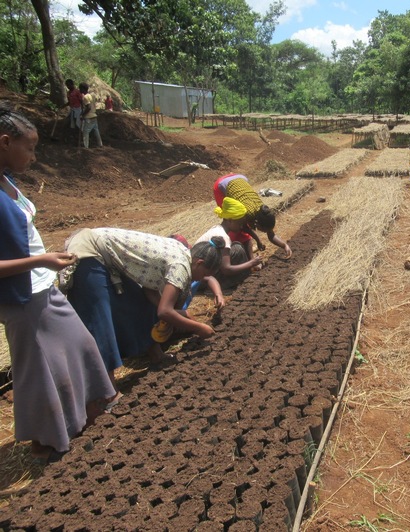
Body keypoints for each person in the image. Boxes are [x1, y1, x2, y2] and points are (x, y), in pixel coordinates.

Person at [0, 102, 118, 462]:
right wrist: (42, 259)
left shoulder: (7, 180)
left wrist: (44, 262)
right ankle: (46, 441)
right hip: (21, 297)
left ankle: (92, 406)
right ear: (5, 142)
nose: (34, 157)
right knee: (37, 368)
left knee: (79, 343)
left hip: (40, 286)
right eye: (30, 148)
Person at [65, 228, 223, 386]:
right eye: (204, 274)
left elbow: (149, 292)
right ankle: (108, 391)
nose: (202, 279)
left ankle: (156, 355)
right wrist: (198, 328)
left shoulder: (184, 254)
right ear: (199, 263)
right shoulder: (181, 266)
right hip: (89, 251)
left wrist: (175, 315)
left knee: (141, 305)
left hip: (108, 257)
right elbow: (164, 311)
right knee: (101, 321)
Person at [213, 174, 293, 261]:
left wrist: (285, 246)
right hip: (221, 186)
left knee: (240, 230)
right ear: (257, 223)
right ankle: (225, 253)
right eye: (263, 230)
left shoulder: (263, 213)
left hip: (237, 178)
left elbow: (271, 235)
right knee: (232, 224)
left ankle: (247, 257)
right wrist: (258, 240)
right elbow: (243, 228)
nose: (263, 232)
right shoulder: (247, 213)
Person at [196, 196, 263, 287]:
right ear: (230, 220)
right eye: (239, 223)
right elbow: (226, 269)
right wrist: (251, 263)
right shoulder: (223, 237)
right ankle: (221, 285)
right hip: (201, 279)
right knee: (238, 249)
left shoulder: (218, 229)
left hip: (203, 273)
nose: (241, 227)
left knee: (236, 246)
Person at [79, 82, 103, 148]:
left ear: (83, 89)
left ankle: (85, 146)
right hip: (94, 115)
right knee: (96, 130)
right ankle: (100, 144)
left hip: (88, 117)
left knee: (85, 132)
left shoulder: (85, 97)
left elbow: (88, 107)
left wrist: (82, 115)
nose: (79, 90)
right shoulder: (92, 95)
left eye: (80, 89)